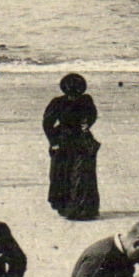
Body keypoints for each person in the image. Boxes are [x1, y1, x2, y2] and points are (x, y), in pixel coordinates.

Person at [43, 73, 100, 220]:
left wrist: (87, 124)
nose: (74, 96)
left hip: (81, 141)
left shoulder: (86, 100)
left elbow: (92, 115)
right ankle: (67, 208)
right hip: (63, 141)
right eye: (71, 93)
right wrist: (53, 142)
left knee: (82, 175)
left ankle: (84, 209)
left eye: (77, 93)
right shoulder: (58, 102)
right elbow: (47, 123)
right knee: (61, 175)